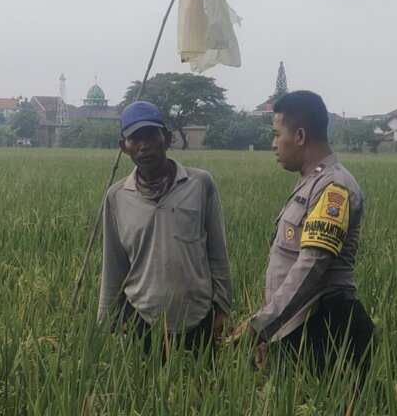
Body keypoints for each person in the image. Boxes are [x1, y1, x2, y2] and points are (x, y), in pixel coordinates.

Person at [245, 90, 374, 379]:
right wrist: (273, 331)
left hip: (324, 329)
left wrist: (262, 325)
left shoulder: (333, 188)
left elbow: (311, 266)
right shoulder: (310, 183)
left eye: (277, 135)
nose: (273, 144)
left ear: (300, 136)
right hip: (298, 326)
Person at [98, 100, 232, 356]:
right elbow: (113, 264)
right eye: (134, 138)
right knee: (145, 392)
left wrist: (223, 308)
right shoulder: (116, 197)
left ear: (167, 138)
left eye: (151, 135)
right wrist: (108, 321)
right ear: (123, 147)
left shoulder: (200, 184)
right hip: (141, 319)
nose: (144, 145)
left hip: (199, 316)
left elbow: (218, 253)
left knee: (201, 391)